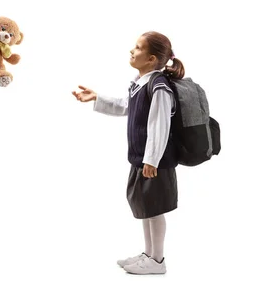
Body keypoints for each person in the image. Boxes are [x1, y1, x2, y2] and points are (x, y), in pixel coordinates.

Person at [72, 31, 185, 275]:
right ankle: (149, 254)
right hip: (142, 159)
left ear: (152, 58)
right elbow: (126, 105)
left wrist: (152, 159)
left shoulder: (159, 86)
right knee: (146, 207)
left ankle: (157, 260)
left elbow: (160, 125)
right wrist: (97, 98)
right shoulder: (140, 82)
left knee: (155, 209)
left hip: (155, 162)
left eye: (137, 48)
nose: (132, 51)